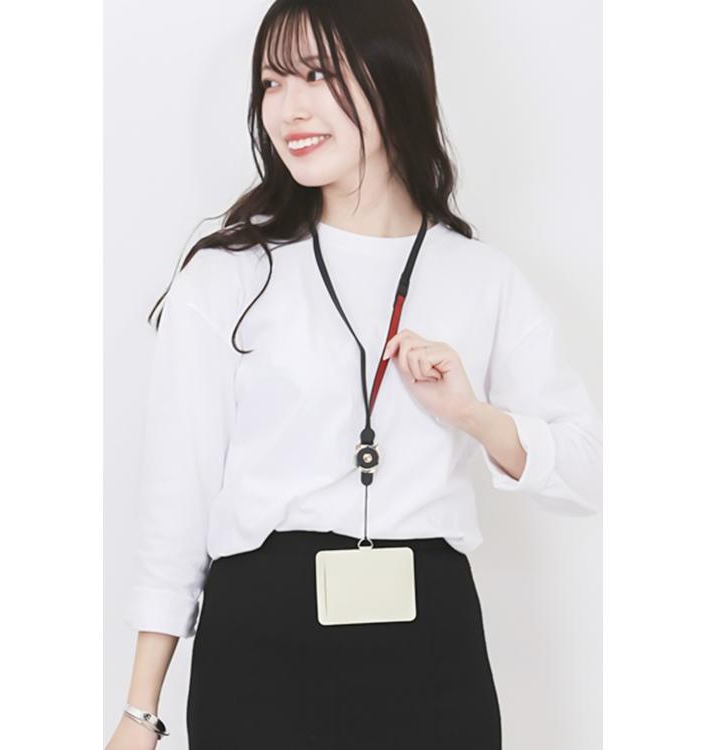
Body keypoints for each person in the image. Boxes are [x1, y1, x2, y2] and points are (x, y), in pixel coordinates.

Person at [107, 1, 602, 748]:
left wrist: (472, 415)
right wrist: (140, 712)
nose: (288, 108)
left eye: (317, 74)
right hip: (259, 653)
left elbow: (589, 472)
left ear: (393, 77)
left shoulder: (483, 278)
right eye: (272, 82)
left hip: (429, 648)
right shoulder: (229, 277)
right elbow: (176, 506)